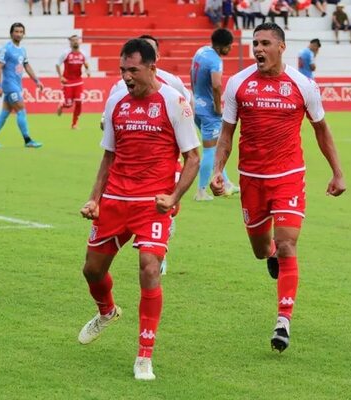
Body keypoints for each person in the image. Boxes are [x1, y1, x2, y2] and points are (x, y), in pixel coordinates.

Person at [210, 22, 346, 353]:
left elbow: (322, 130)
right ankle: (268, 252)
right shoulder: (238, 84)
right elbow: (226, 134)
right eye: (255, 43)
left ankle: (283, 320)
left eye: (265, 43)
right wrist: (217, 170)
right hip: (251, 179)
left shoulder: (303, 85)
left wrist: (337, 172)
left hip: (288, 176)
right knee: (262, 249)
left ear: (281, 47)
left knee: (288, 245)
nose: (258, 49)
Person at [78, 38, 200, 380]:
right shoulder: (117, 101)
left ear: (151, 67)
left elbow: (192, 157)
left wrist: (173, 197)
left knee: (149, 267)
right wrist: (94, 199)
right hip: (116, 199)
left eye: (133, 70)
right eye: (122, 70)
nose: (127, 77)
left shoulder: (175, 102)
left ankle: (144, 355)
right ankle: (107, 312)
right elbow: (108, 156)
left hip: (153, 203)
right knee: (92, 271)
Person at [105, 35, 193, 275]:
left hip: (165, 156)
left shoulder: (172, 83)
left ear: (155, 58)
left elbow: (187, 107)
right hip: (129, 160)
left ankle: (159, 248)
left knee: (165, 202)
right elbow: (108, 120)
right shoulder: (120, 87)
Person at [191, 28, 239, 201]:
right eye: (229, 46)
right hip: (209, 111)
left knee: (217, 145)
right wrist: (218, 108)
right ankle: (201, 192)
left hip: (196, 105)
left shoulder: (201, 52)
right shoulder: (215, 61)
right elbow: (217, 85)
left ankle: (225, 184)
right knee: (211, 151)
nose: (231, 49)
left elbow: (192, 74)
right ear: (222, 47)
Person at [0, 23, 44, 148]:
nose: (18, 34)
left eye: (21, 32)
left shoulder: (22, 50)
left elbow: (27, 66)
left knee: (4, 113)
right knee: (21, 111)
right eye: (16, 31)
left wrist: (37, 81)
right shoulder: (6, 48)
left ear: (24, 34)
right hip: (9, 85)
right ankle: (28, 140)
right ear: (11, 33)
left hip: (17, 85)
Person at [56, 35, 90, 130]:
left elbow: (86, 64)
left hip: (78, 81)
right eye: (73, 40)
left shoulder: (83, 54)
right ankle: (62, 105)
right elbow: (57, 64)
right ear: (70, 42)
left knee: (79, 102)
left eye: (77, 40)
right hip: (67, 82)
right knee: (69, 104)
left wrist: (87, 71)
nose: (75, 42)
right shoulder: (66, 53)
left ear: (79, 42)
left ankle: (74, 124)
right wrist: (61, 77)